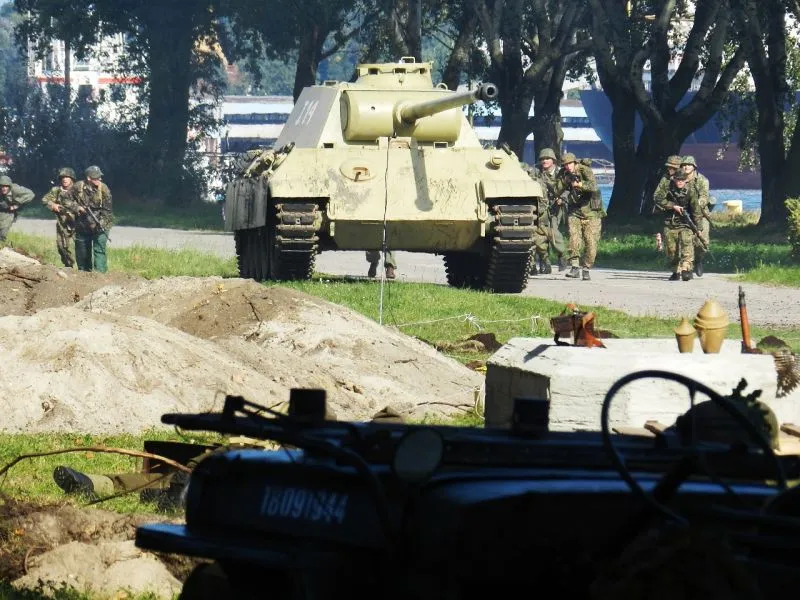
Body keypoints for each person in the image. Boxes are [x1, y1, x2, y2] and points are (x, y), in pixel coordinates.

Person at [52, 406, 404, 509]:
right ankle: (95, 484)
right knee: (169, 476)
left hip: (243, 484)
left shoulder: (368, 472)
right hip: (228, 467)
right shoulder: (335, 439)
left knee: (182, 481)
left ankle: (172, 497)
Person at [555, 153, 605, 281]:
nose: (568, 166)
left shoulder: (585, 170)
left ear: (575, 162)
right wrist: (565, 182)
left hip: (591, 212)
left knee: (591, 243)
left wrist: (580, 184)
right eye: (565, 165)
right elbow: (557, 189)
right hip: (575, 211)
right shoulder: (563, 174)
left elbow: (594, 186)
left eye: (569, 164)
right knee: (574, 239)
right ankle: (575, 267)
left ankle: (586, 268)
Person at [62, 165, 113, 273]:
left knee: (99, 250)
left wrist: (100, 224)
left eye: (99, 177)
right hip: (83, 224)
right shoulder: (78, 186)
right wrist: (77, 208)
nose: (100, 179)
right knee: (82, 252)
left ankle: (100, 275)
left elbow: (107, 212)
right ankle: (84, 275)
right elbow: (65, 199)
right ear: (89, 178)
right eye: (96, 177)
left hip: (100, 224)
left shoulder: (104, 189)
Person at [654, 169, 703, 281]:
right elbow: (657, 198)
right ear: (674, 179)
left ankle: (686, 269)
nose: (680, 182)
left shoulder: (691, 191)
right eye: (678, 179)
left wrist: (699, 228)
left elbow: (696, 210)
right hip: (670, 223)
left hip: (685, 223)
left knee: (687, 245)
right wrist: (672, 206)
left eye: (682, 179)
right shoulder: (668, 188)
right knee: (672, 250)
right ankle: (676, 271)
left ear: (686, 180)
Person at [535, 148, 568, 272]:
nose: (545, 161)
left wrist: (562, 198)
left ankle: (561, 255)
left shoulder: (561, 173)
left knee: (554, 232)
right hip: (541, 207)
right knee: (539, 234)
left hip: (556, 208)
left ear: (553, 160)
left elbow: (568, 188)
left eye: (547, 158)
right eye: (542, 159)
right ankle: (545, 261)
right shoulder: (536, 172)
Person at [681, 156, 711, 277]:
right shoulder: (678, 179)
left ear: (694, 167)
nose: (686, 167)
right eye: (683, 165)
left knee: (702, 243)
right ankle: (688, 266)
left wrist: (696, 204)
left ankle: (699, 260)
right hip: (684, 214)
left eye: (689, 164)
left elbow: (704, 196)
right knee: (686, 242)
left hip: (701, 215)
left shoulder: (702, 180)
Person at [41, 167, 78, 267]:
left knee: (79, 247)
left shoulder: (78, 190)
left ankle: (83, 269)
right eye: (62, 177)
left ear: (72, 178)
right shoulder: (56, 190)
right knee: (61, 247)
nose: (64, 179)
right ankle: (69, 266)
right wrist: (53, 205)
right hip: (62, 223)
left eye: (67, 177)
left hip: (77, 223)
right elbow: (44, 200)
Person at [0, 175, 34, 242]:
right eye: (2, 186)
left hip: (11, 211)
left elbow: (31, 194)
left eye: (6, 186)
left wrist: (17, 204)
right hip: (3, 209)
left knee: (3, 230)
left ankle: (2, 242)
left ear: (9, 186)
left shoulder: (15, 189)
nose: (4, 188)